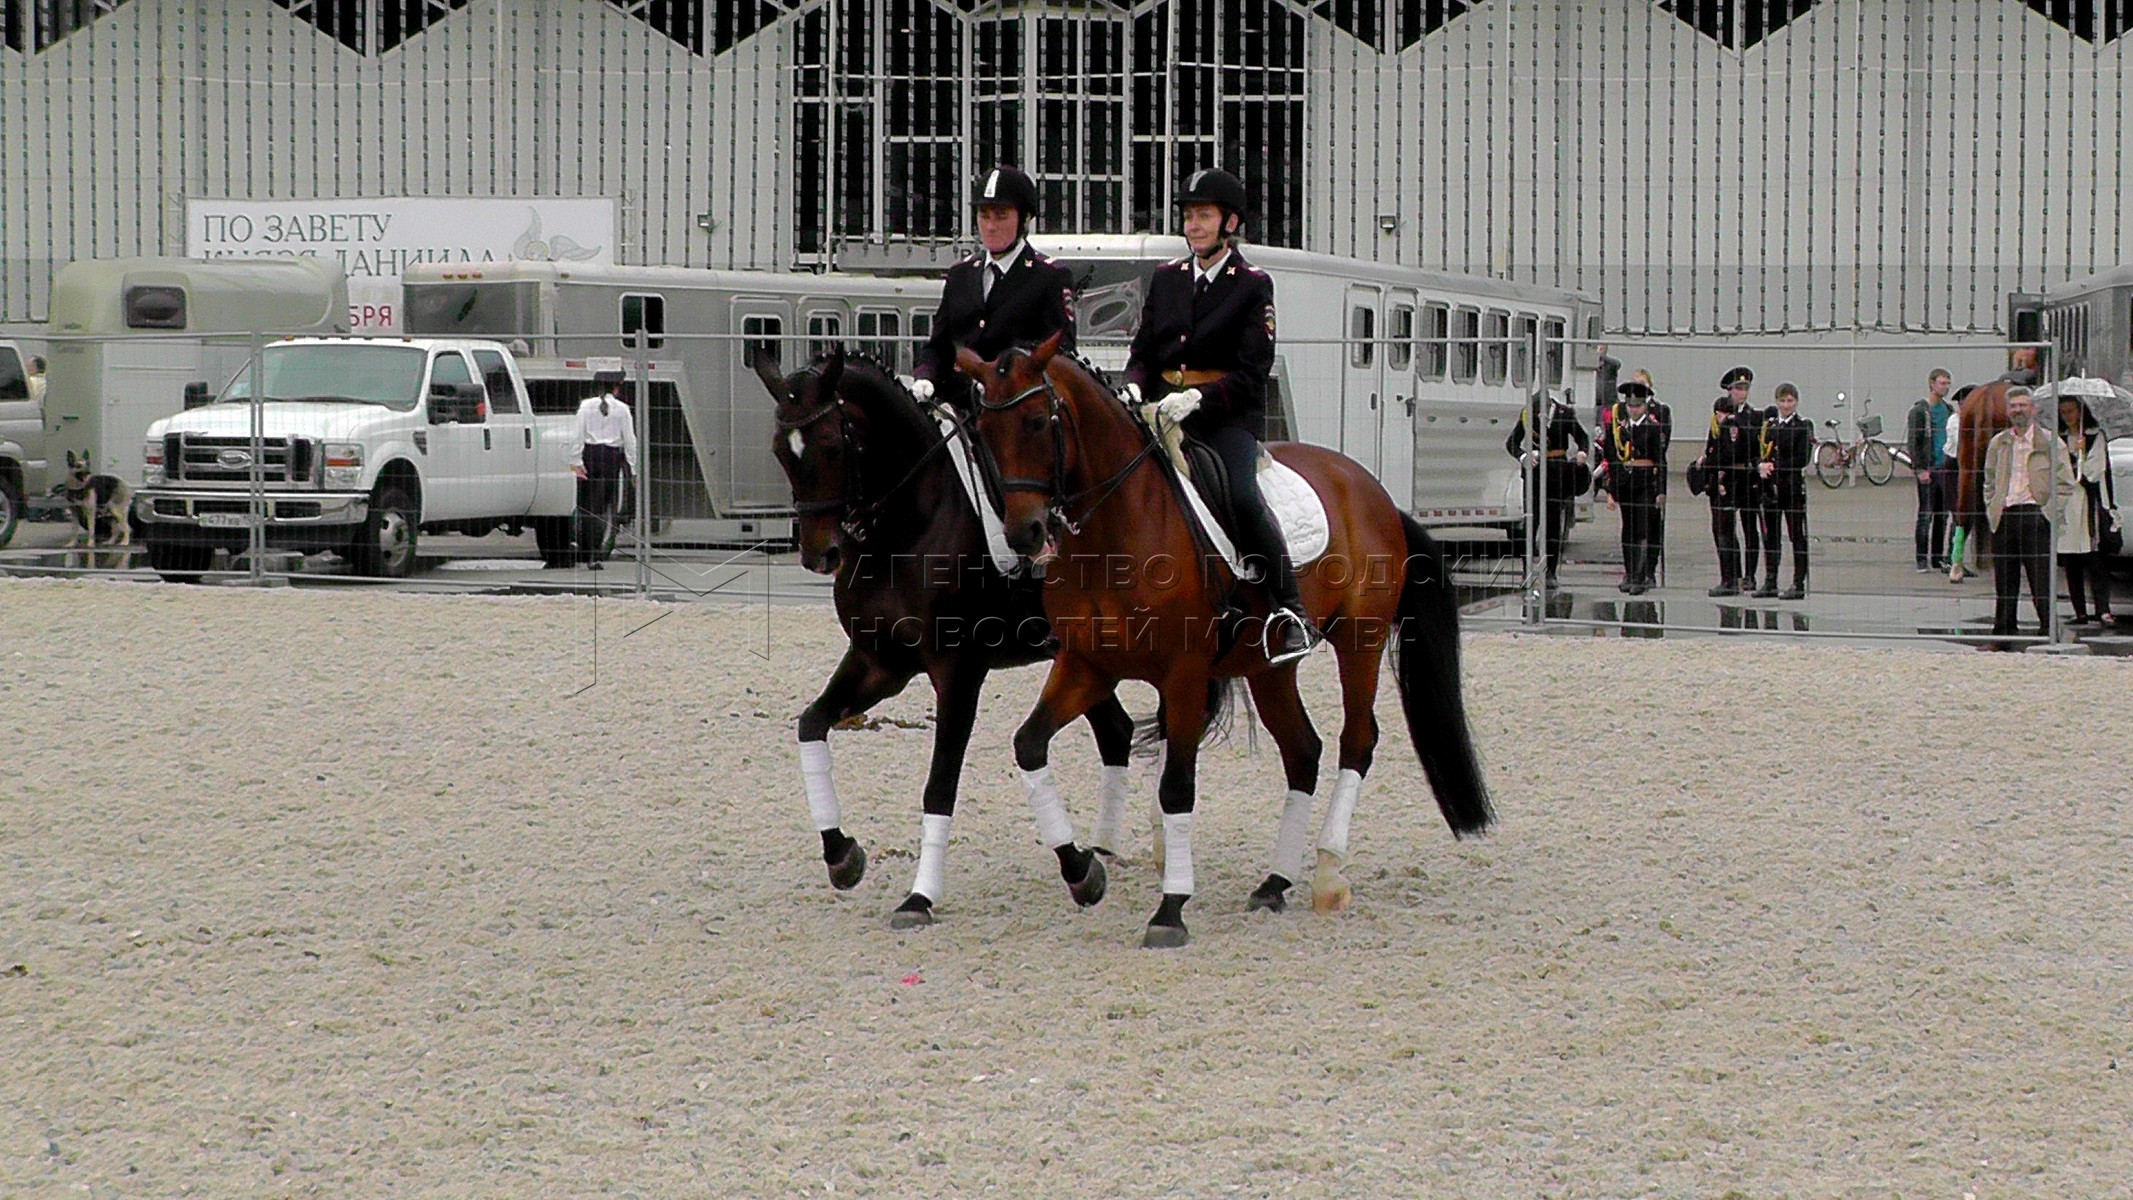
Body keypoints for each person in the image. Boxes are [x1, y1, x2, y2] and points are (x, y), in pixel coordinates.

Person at [1124, 167, 1312, 664]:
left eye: (1203, 216)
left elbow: (1254, 371)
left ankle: (1288, 610)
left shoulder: (1251, 285)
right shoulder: (1166, 280)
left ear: (1230, 222)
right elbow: (1144, 350)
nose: (1193, 226)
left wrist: (1200, 399)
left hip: (1226, 417)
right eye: (1188, 216)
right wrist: (1134, 385)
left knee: (1243, 499)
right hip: (1163, 412)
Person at [911, 166, 1077, 410]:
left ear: (1024, 219)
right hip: (958, 405)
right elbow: (939, 345)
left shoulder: (1049, 277)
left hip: (1013, 411)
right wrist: (925, 375)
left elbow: (1059, 355)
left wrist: (1004, 382)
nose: (990, 226)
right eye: (984, 215)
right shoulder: (961, 275)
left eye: (1001, 215)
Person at [1982, 385, 2075, 639]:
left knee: (2040, 579)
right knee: (2005, 581)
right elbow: (1988, 479)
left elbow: (2066, 484)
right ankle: (2004, 631)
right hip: (2006, 515)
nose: (2018, 410)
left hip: (2036, 515)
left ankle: (2048, 629)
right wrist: (1993, 507)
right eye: (2013, 406)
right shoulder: (1999, 443)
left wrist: (2048, 513)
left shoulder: (2049, 443)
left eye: (2023, 405)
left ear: (2032, 409)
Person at [1505, 388, 1591, 589]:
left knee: (1552, 526)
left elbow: (1582, 437)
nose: (1535, 415)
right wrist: (1524, 456)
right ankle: (1526, 570)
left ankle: (1551, 572)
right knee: (1530, 523)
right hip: (1535, 473)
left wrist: (1582, 452)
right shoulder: (1527, 414)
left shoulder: (1565, 414)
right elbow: (1512, 442)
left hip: (1557, 471)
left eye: (1538, 412)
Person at [2056, 396, 2117, 626]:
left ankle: (2103, 608)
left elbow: (2093, 471)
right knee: (2071, 558)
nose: (2068, 416)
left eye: (2071, 411)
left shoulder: (2094, 436)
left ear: (2081, 412)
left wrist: (2080, 454)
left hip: (2088, 503)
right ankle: (2079, 610)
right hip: (2067, 504)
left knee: (2095, 558)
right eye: (2063, 412)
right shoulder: (2060, 439)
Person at [1700, 365, 1760, 597]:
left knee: (1749, 527)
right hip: (1725, 478)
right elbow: (1713, 445)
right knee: (1724, 528)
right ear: (1729, 390)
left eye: (1745, 388)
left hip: (1745, 477)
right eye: (1737, 388)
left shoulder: (1753, 417)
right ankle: (1731, 575)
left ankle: (1750, 575)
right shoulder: (1720, 414)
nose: (1741, 393)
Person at [571, 372, 640, 570]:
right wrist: (633, 468)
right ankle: (595, 553)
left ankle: (585, 549)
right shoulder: (622, 409)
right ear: (617, 387)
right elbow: (629, 440)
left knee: (586, 506)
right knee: (603, 506)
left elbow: (577, 435)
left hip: (589, 455)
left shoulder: (585, 406)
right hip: (611, 458)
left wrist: (575, 460)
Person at [1605, 380, 1667, 595]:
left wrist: (1661, 490)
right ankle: (1630, 573)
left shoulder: (1652, 427)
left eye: (1638, 405)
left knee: (1642, 530)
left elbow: (1660, 460)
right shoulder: (1619, 428)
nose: (1633, 409)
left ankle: (1641, 576)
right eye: (1630, 405)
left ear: (1645, 406)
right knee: (1628, 530)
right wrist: (1611, 489)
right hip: (1625, 483)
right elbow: (1612, 457)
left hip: (1645, 483)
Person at [1757, 381, 1814, 599]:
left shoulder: (1802, 426)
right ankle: (1771, 580)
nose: (1786, 405)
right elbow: (1761, 451)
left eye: (1790, 401)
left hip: (1791, 488)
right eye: (1782, 400)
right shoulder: (1769, 426)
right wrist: (1761, 465)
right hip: (1771, 489)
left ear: (1796, 402)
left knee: (1796, 536)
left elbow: (1801, 458)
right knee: (1771, 536)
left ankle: (1798, 583)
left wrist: (1776, 466)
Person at [1908, 368, 1955, 571]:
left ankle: (1937, 557)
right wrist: (1920, 469)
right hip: (1928, 468)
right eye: (1942, 383)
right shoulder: (1920, 411)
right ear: (1932, 384)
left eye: (1947, 384)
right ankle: (1921, 558)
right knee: (1925, 514)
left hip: (1944, 468)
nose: (1945, 387)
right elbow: (1914, 441)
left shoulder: (1949, 411)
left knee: (1942, 515)